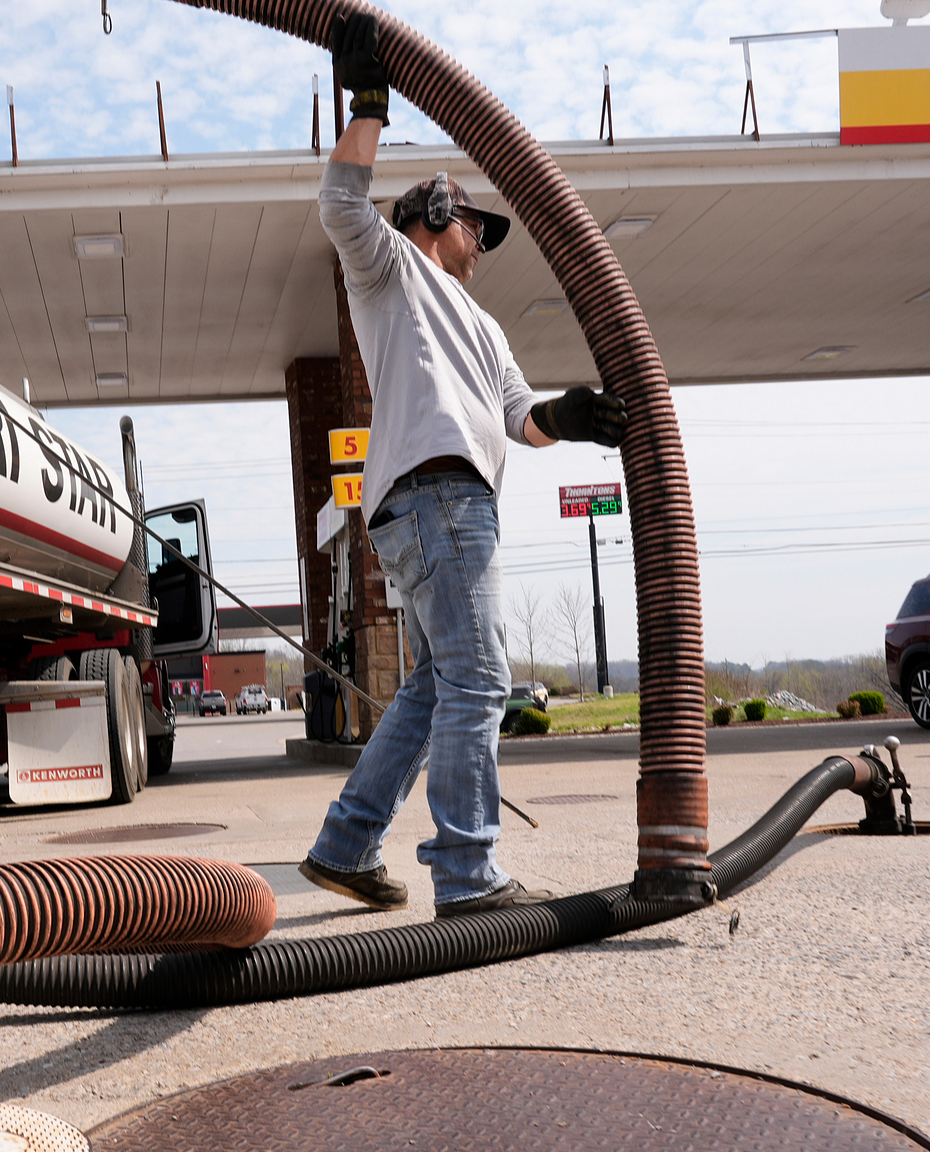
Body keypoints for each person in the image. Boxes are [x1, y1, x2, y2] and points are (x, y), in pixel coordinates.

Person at [298, 13, 627, 917]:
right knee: (481, 681)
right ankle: (469, 875)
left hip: (439, 504)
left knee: (438, 684)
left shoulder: (483, 325)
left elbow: (521, 419)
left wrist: (576, 417)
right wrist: (369, 104)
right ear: (441, 214)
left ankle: (346, 845)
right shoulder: (392, 270)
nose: (482, 244)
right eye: (477, 227)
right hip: (440, 497)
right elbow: (339, 206)